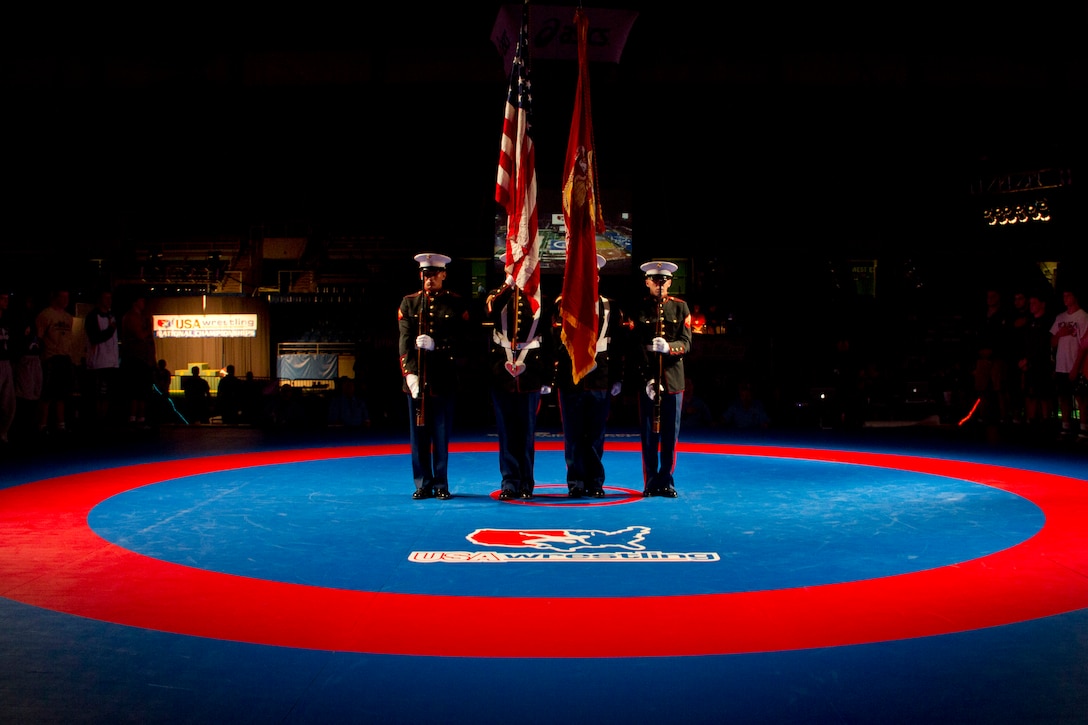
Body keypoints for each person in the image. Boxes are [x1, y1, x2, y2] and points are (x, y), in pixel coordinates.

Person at [550, 254, 625, 498]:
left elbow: (617, 346)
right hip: (570, 378)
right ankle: (575, 482)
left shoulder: (610, 307)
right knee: (572, 434)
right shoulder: (562, 305)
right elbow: (554, 344)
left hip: (599, 377)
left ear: (598, 277)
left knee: (595, 434)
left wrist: (617, 378)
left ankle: (595, 481)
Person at [398, 252, 468, 500]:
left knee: (440, 434)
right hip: (417, 380)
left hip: (443, 378)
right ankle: (422, 483)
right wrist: (410, 374)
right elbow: (404, 342)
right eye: (425, 275)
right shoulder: (410, 303)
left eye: (434, 275)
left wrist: (437, 345)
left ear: (443, 275)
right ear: (420, 275)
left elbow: (463, 340)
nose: (429, 280)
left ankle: (440, 483)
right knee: (418, 436)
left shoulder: (456, 303)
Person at [486, 258, 553, 500]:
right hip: (501, 374)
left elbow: (549, 339)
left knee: (526, 431)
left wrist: (547, 377)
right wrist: (509, 285)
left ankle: (526, 482)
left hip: (530, 374)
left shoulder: (539, 298)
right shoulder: (496, 295)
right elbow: (490, 310)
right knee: (506, 431)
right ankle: (509, 482)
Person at [632, 261, 692, 497]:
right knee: (649, 434)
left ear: (669, 282)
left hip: (672, 379)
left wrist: (670, 347)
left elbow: (687, 343)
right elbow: (635, 346)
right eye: (655, 280)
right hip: (648, 380)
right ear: (647, 282)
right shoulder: (639, 308)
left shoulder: (681, 308)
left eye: (664, 280)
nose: (660, 284)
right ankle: (649, 481)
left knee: (670, 434)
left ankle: (666, 480)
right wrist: (647, 378)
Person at [1050, 287, 1088, 441]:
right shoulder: (1060, 317)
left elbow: (1084, 344)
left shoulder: (1084, 317)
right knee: (1063, 397)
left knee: (1081, 398)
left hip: (1075, 363)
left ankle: (1084, 427)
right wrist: (1060, 333)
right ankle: (1065, 425)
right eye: (1063, 296)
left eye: (1068, 295)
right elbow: (1052, 342)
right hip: (1061, 364)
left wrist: (1076, 366)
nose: (1065, 299)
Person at [35, 289, 75, 435]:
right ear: (55, 297)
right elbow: (39, 337)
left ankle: (61, 424)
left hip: (65, 357)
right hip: (51, 357)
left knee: (62, 394)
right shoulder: (45, 315)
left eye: (67, 297)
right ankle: (42, 425)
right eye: (63, 297)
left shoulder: (68, 317)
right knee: (47, 393)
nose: (66, 300)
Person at [83, 289, 120, 425]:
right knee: (98, 396)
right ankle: (96, 423)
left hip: (111, 363)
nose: (109, 301)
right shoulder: (93, 316)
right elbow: (95, 337)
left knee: (107, 396)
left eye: (110, 298)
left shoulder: (111, 316)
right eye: (106, 298)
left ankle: (106, 422)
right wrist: (110, 329)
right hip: (98, 363)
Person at [1019, 292, 1055, 428]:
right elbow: (1025, 344)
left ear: (1042, 304)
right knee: (1030, 394)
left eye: (1034, 303)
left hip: (1043, 364)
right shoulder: (1029, 323)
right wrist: (1023, 360)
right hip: (1029, 365)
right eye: (1030, 304)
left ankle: (1046, 422)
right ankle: (1031, 421)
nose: (1031, 306)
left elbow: (1045, 344)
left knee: (1044, 395)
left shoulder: (1048, 322)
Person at [120, 296, 156, 428]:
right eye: (141, 300)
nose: (144, 303)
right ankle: (133, 417)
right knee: (135, 390)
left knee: (143, 391)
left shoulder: (141, 317)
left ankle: (141, 417)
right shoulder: (131, 317)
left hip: (144, 360)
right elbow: (140, 335)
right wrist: (148, 328)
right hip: (135, 359)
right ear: (135, 302)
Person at [0, 291, 14, 446]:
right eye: (2, 299)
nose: (6, 302)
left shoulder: (7, 321)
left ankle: (3, 433)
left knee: (8, 402)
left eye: (6, 299)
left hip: (6, 361)